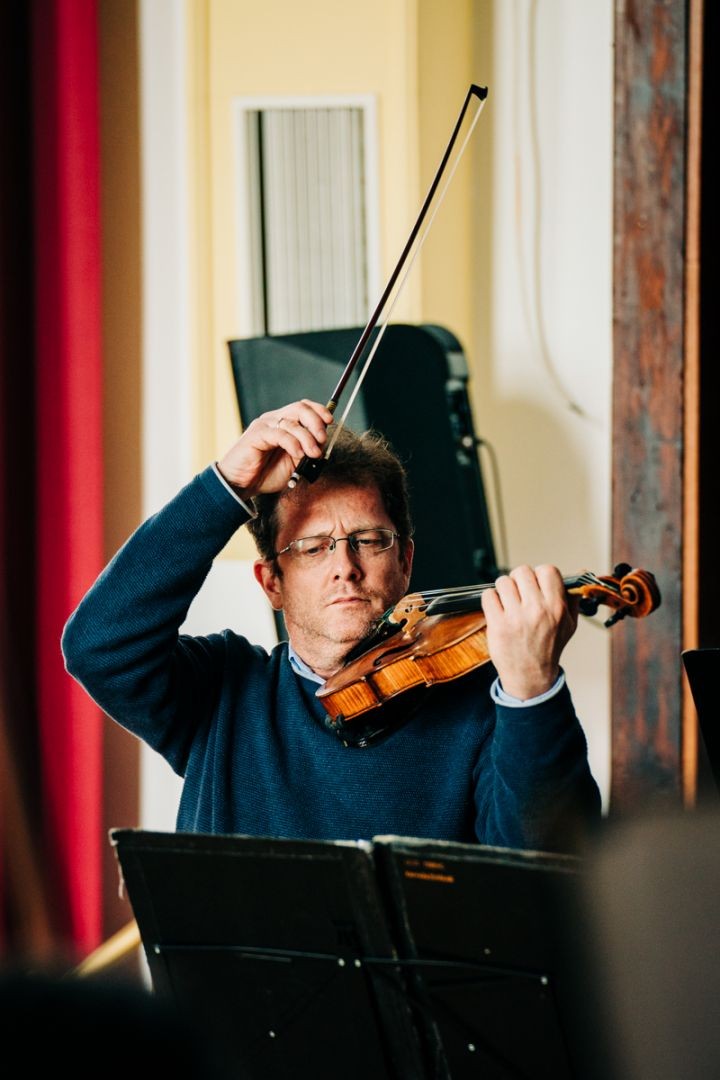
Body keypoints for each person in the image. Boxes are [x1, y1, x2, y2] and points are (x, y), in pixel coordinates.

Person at [62, 399, 601, 852]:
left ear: (405, 562)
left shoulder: (483, 707)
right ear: (271, 581)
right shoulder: (222, 691)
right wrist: (226, 488)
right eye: (313, 547)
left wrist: (532, 690)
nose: (346, 566)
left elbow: (550, 877)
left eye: (368, 540)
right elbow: (97, 645)